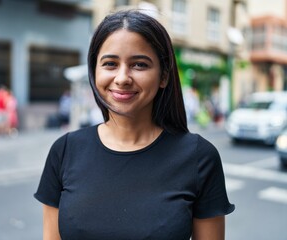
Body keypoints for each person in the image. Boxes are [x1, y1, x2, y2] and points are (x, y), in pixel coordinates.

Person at [34, 10, 234, 240]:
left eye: (139, 65)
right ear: (94, 71)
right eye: (110, 63)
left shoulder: (200, 158)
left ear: (164, 76)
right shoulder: (65, 151)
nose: (122, 78)